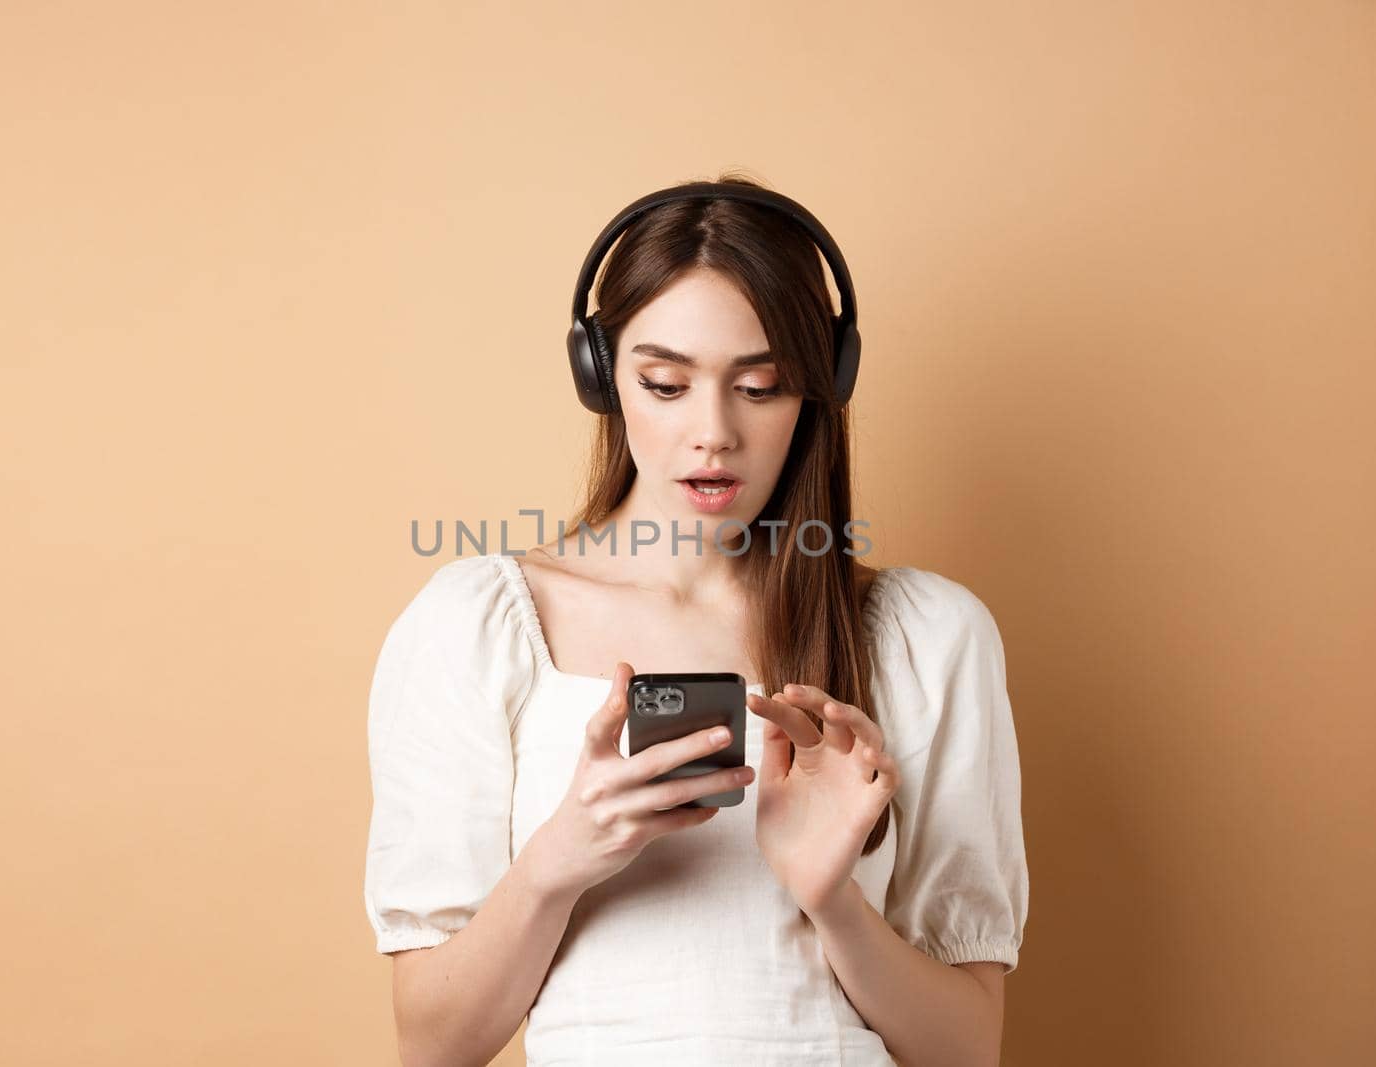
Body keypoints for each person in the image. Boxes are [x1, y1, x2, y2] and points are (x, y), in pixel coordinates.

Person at [363, 172, 1029, 1066]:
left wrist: (833, 898)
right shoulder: (473, 625)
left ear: (817, 389)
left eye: (760, 387)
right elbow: (433, 1048)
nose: (713, 432)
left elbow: (966, 1052)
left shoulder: (929, 636)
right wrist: (562, 856)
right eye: (666, 384)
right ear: (602, 378)